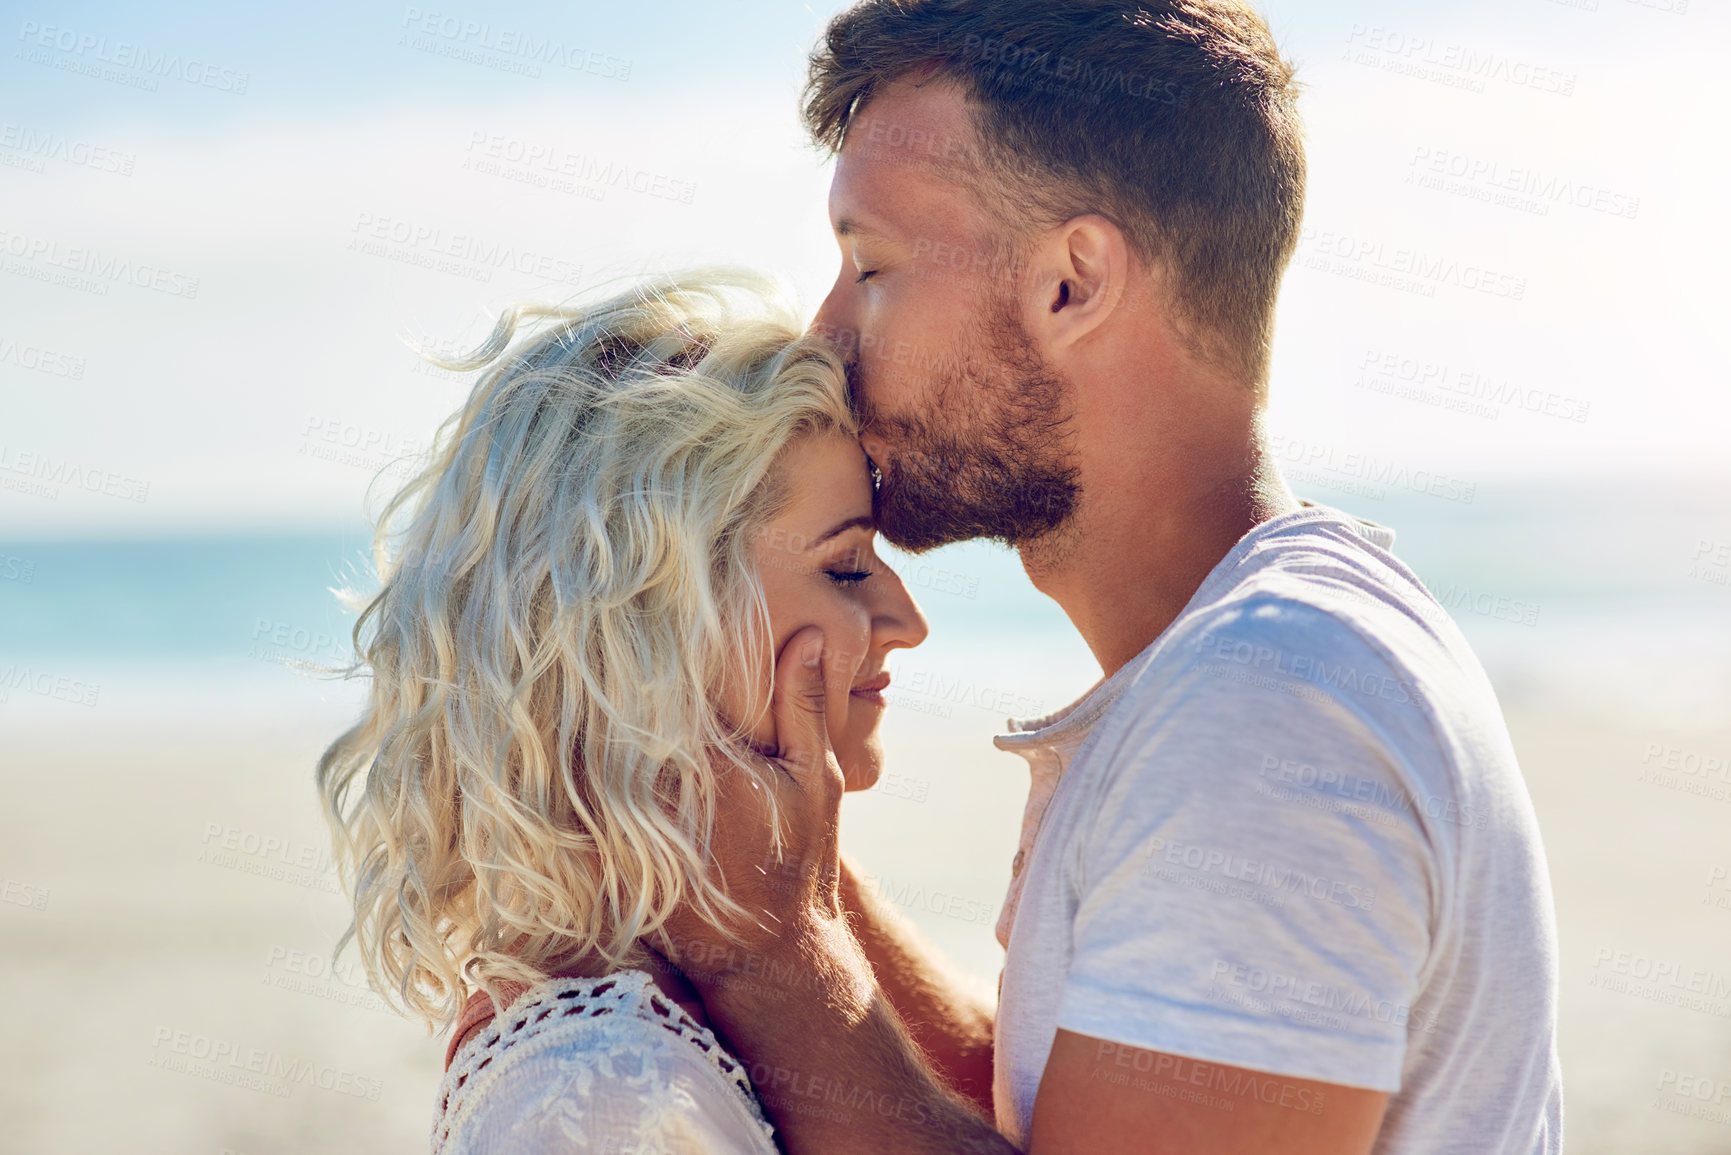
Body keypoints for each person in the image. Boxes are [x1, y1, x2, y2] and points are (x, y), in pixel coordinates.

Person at [658, 2, 1566, 1153]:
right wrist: (792, 881)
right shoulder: (1271, 651)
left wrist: (767, 958)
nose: (822, 335)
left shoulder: (1262, 711)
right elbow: (1075, 1101)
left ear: (1072, 284)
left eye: (868, 264)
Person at [315, 271, 931, 1153]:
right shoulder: (609, 1093)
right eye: (845, 565)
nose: (907, 621)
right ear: (651, 628)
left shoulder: (648, 1019)